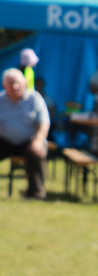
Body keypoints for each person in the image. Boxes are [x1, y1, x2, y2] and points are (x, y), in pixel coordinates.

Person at [0, 68, 49, 200]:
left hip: (29, 141)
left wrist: (38, 141)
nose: (15, 86)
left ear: (25, 83)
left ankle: (36, 193)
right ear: (5, 86)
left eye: (17, 83)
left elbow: (44, 124)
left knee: (37, 152)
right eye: (11, 83)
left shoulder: (35, 99)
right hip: (5, 141)